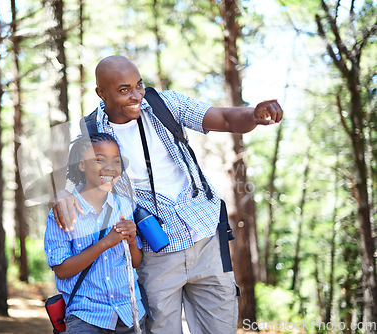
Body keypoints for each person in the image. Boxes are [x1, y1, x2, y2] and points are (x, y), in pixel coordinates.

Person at [52, 55, 283, 333]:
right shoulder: (92, 132)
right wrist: (62, 196)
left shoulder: (165, 104)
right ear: (101, 93)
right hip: (155, 250)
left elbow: (223, 117)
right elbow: (77, 181)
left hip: (205, 236)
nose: (136, 95)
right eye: (124, 90)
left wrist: (253, 115)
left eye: (139, 85)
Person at [44, 132, 147, 333]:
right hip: (86, 316)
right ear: (82, 165)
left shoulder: (124, 206)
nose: (110, 167)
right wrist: (105, 243)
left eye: (116, 161)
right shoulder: (63, 211)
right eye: (100, 160)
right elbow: (62, 270)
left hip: (129, 313)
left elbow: (134, 262)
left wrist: (133, 241)